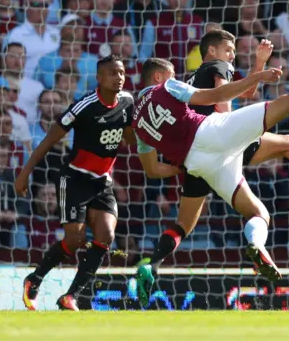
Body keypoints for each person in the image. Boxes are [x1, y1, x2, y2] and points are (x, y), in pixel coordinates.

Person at [132, 53, 289, 307]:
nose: (175, 77)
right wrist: (258, 76)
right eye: (171, 73)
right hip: (214, 133)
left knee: (199, 222)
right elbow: (211, 97)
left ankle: (152, 265)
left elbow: (152, 169)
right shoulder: (167, 86)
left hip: (198, 165)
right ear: (158, 76)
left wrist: (181, 163)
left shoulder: (137, 125)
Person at [14, 55, 178, 311]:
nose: (119, 77)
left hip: (102, 182)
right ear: (99, 78)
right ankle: (34, 279)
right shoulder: (84, 106)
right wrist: (24, 173)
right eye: (113, 73)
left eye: (122, 72)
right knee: (75, 240)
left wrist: (155, 126)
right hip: (75, 178)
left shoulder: (127, 102)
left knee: (106, 235)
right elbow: (48, 140)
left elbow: (130, 138)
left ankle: (70, 296)